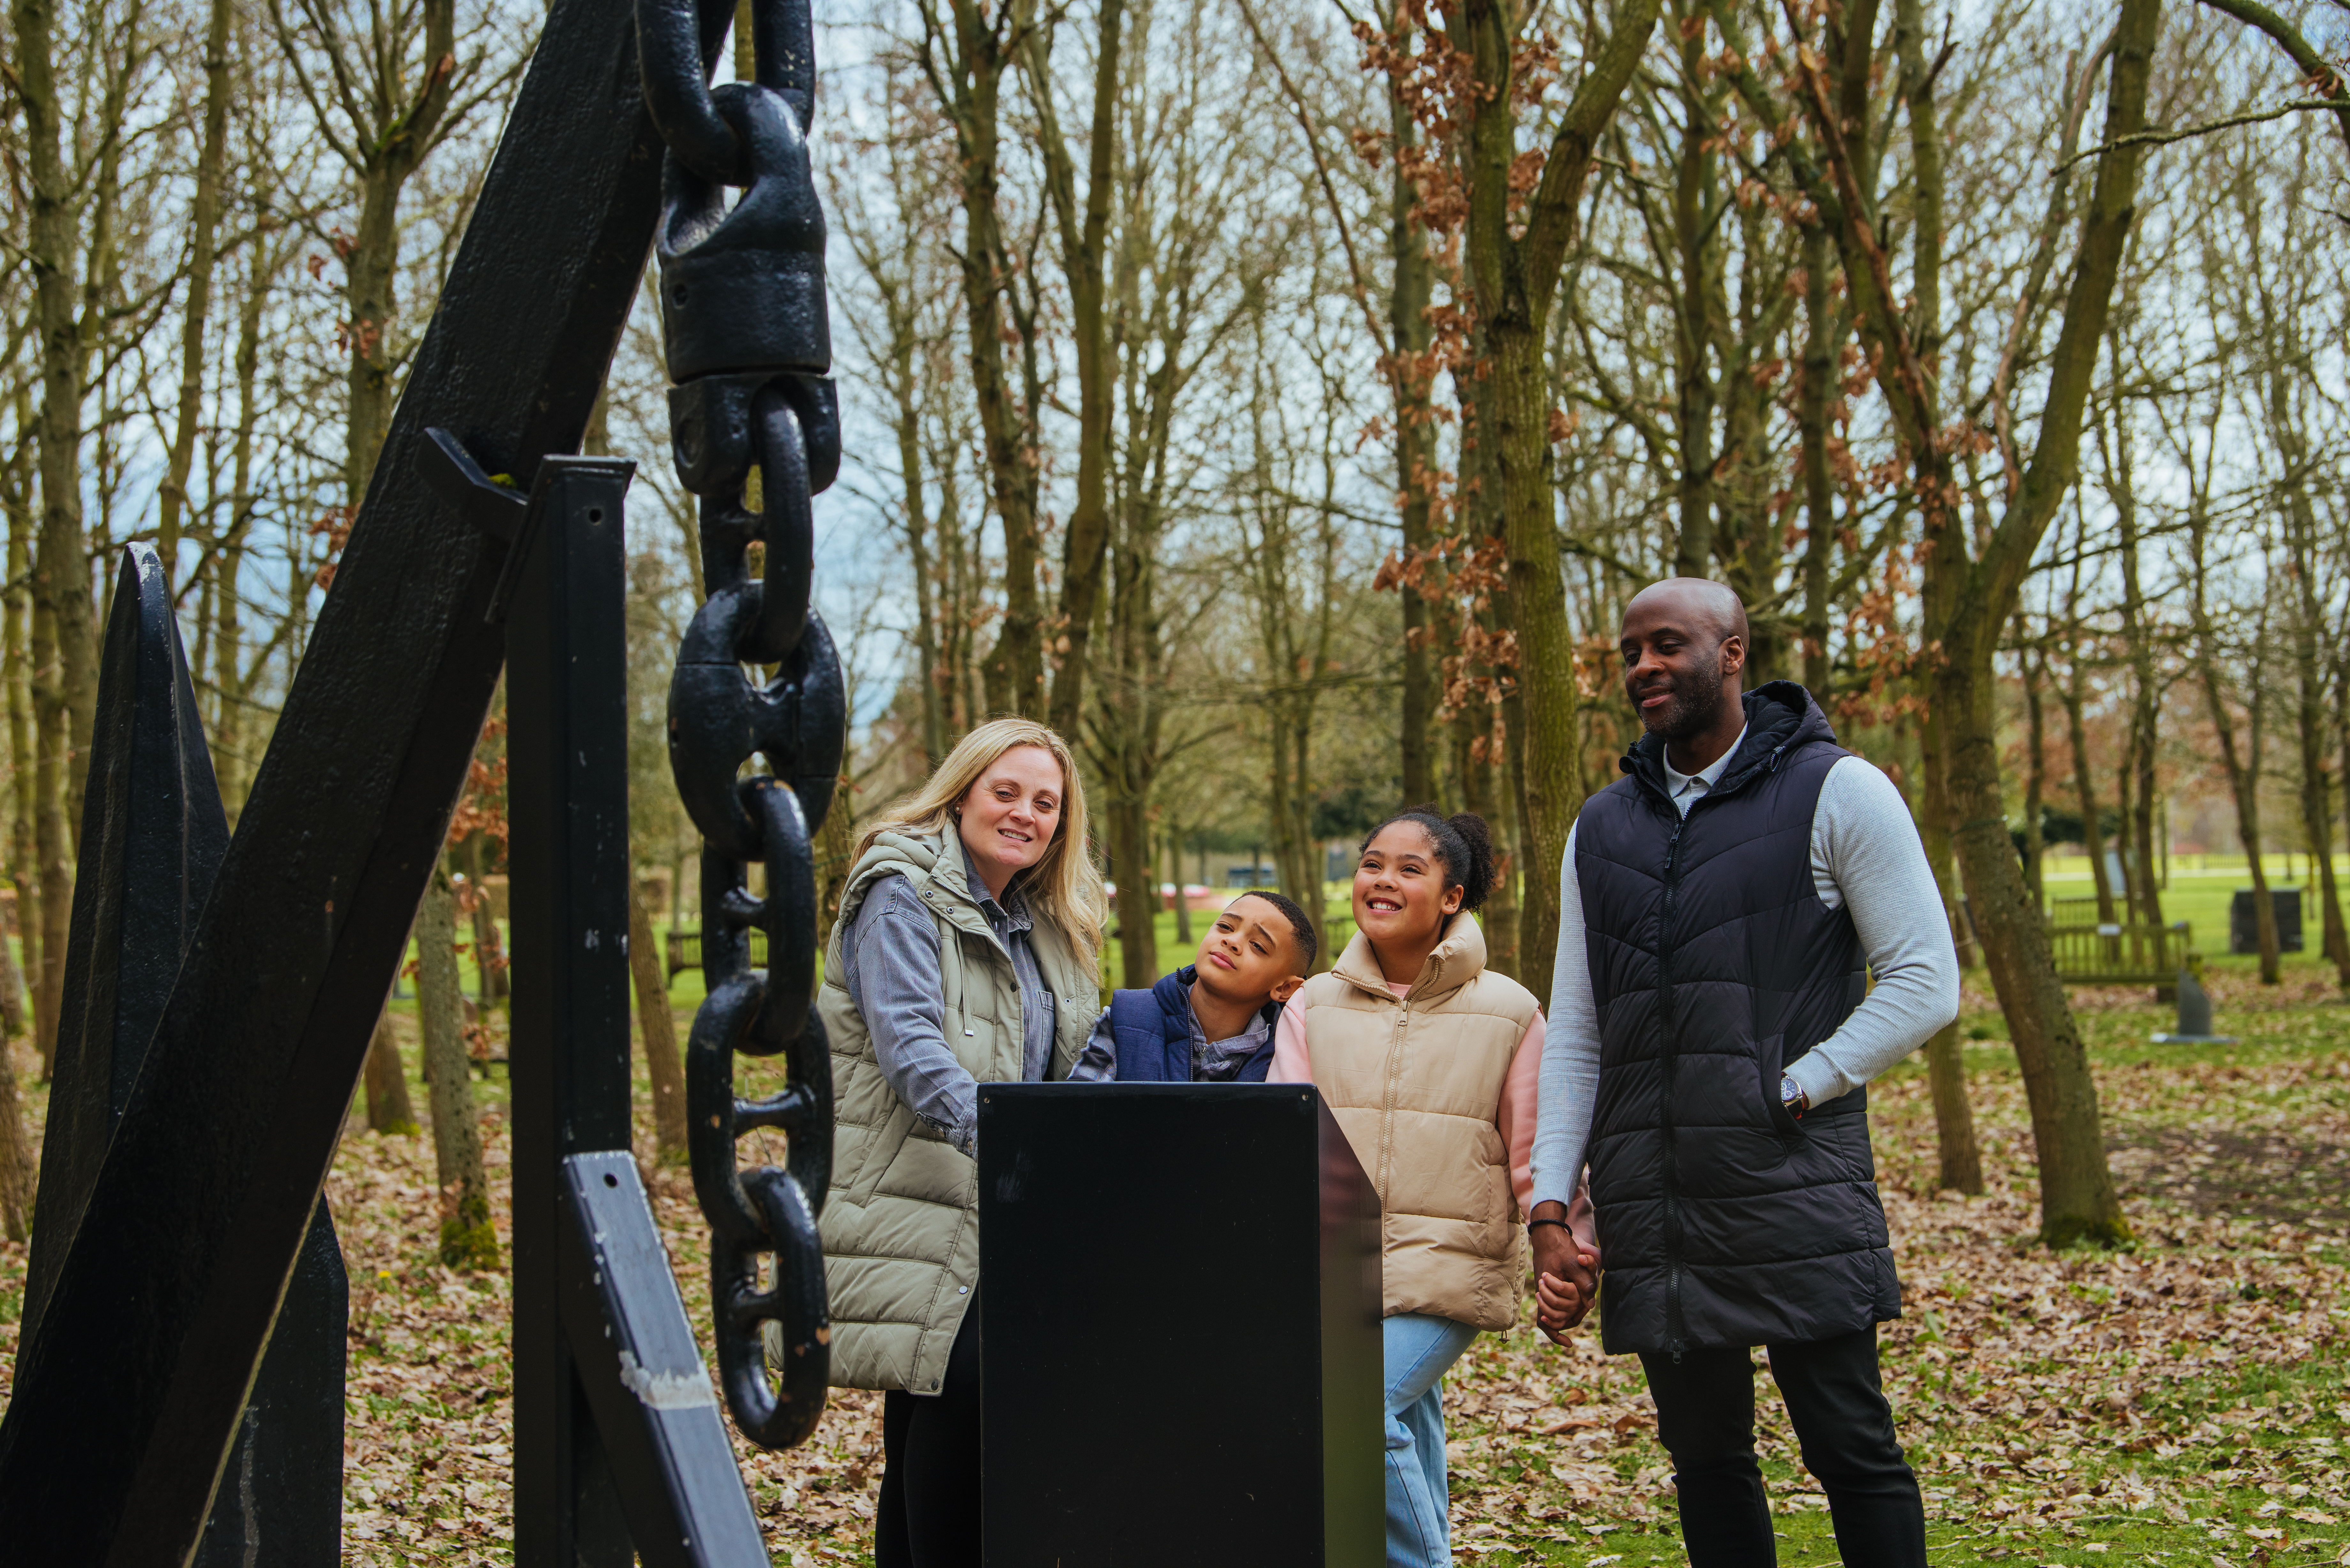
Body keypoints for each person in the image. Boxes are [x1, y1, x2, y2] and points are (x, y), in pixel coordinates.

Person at [1532, 577, 1961, 1568]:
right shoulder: (1600, 827)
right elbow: (1580, 1031)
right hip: (1659, 1200)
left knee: (1849, 1445)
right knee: (1705, 1458)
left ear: (1730, 653)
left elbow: (1923, 980)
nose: (1643, 665)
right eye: (1628, 651)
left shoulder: (1836, 788)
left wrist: (1790, 1087)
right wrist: (1550, 1200)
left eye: (1667, 644)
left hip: (1790, 1184)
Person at [1269, 809, 1595, 1568]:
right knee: (1405, 1425)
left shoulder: (1510, 1011)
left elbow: (1539, 1151)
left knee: (1357, 1405)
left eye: (1409, 868)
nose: (1382, 878)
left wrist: (1571, 1252)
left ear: (1451, 895)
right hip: (1336, 1269)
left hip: (1448, 1260)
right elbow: (1282, 1143)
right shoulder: (1310, 1003)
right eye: (1371, 862)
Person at [816, 717, 1107, 1568]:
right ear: (963, 791)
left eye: (1045, 803)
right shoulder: (900, 890)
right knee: (962, 1395)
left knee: (936, 1403)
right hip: (919, 1191)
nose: (1024, 814)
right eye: (1006, 792)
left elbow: (1076, 1057)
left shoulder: (1048, 922)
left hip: (1004, 1206)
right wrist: (1025, 1150)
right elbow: (913, 1050)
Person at [1067, 889, 1316, 1083]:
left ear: (1285, 989)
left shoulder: (1288, 1056)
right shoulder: (1127, 1019)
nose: (1232, 941)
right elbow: (1078, 1122)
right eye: (1225, 927)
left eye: (1258, 946)